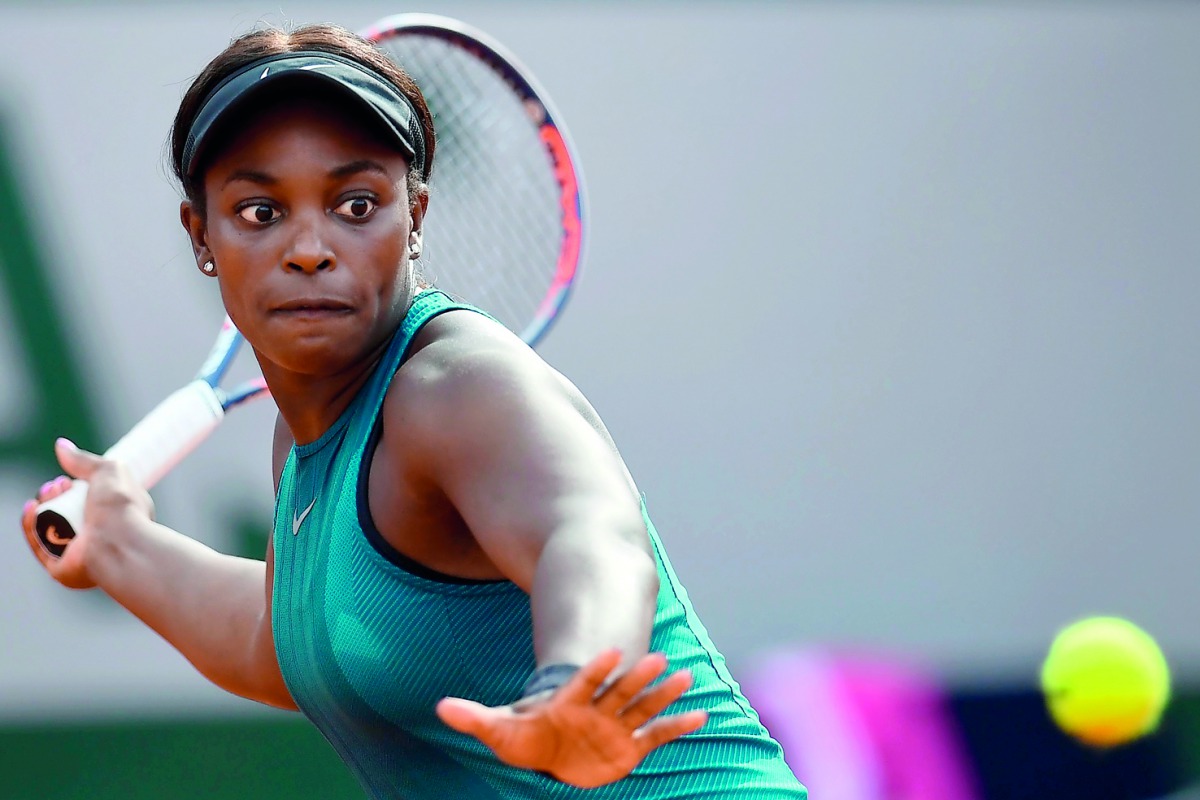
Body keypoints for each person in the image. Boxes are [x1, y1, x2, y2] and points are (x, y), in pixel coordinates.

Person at [20, 23, 808, 800]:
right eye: (261, 212)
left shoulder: (463, 385)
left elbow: (591, 536)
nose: (308, 247)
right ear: (202, 234)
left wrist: (576, 675)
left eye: (356, 205)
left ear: (416, 216)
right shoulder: (306, 443)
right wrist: (119, 546)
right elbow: (284, 645)